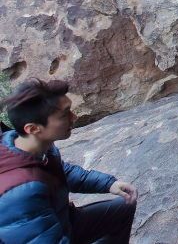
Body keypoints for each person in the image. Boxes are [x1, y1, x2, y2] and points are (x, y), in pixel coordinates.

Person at [0, 78, 138, 243]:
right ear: (33, 128)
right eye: (65, 114)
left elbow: (62, 171)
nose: (74, 117)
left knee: (123, 210)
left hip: (62, 220)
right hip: (49, 233)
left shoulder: (25, 146)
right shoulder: (22, 194)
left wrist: (108, 183)